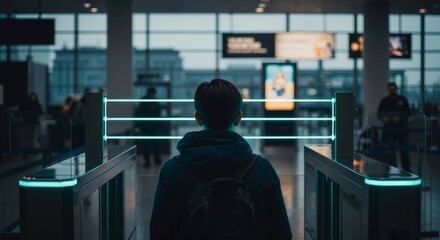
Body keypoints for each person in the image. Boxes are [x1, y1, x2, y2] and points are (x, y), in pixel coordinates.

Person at [150, 79, 292, 239]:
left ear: (198, 118)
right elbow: (281, 233)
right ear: (238, 117)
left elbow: (159, 232)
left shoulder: (172, 170)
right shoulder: (261, 168)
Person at [377, 82, 411, 171]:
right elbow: (379, 113)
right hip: (389, 129)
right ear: (388, 89)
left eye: (393, 88)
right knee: (390, 151)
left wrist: (399, 117)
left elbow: (408, 112)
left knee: (404, 150)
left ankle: (406, 169)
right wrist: (384, 118)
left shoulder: (403, 100)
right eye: (390, 89)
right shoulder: (384, 101)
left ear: (396, 89)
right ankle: (391, 169)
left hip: (402, 129)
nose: (392, 90)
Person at [136, 87, 162, 167]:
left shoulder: (143, 101)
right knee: (154, 145)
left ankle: (148, 161)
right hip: (152, 126)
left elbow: (139, 114)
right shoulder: (155, 101)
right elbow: (158, 114)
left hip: (145, 127)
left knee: (147, 145)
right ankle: (156, 160)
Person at [21, 92, 43, 157]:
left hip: (34, 123)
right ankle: (26, 151)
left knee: (33, 138)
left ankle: (32, 150)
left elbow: (41, 112)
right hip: (27, 123)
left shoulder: (37, 104)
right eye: (32, 97)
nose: (33, 98)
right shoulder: (26, 104)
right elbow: (22, 111)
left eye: (34, 97)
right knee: (27, 138)